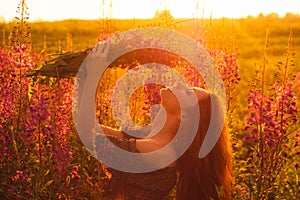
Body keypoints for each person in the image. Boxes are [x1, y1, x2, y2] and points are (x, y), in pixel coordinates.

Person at [76, 41, 233, 200]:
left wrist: (95, 76)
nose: (180, 84)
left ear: (184, 116)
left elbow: (87, 137)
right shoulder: (152, 140)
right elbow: (89, 128)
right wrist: (84, 78)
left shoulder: (158, 151)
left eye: (187, 92)